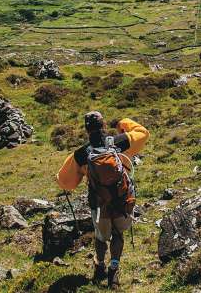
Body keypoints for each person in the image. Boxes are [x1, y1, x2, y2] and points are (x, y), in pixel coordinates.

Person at [56, 112, 149, 288]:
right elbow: (143, 133)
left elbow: (64, 182)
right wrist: (123, 122)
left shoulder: (81, 154)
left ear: (86, 129)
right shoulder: (121, 142)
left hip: (99, 204)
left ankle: (100, 266)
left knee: (101, 238)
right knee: (118, 234)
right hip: (123, 200)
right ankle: (114, 270)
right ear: (104, 125)